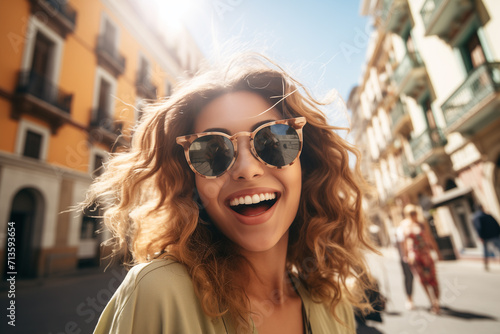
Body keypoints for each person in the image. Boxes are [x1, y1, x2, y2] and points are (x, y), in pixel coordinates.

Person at [82, 53, 376, 333]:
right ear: (190, 181)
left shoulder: (331, 305)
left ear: (305, 162)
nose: (246, 170)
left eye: (273, 139)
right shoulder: (156, 293)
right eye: (212, 152)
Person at [401, 204, 440, 314]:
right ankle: (432, 302)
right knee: (423, 280)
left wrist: (437, 252)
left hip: (426, 255)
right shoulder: (405, 226)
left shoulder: (422, 225)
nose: (414, 215)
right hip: (415, 257)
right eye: (411, 213)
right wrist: (406, 255)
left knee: (433, 278)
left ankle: (436, 302)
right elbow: (405, 243)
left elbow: (430, 238)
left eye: (415, 213)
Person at [472, 204, 500, 271]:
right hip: (494, 235)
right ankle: (486, 265)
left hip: (486, 237)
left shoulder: (476, 217)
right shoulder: (488, 215)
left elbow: (479, 228)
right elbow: (496, 224)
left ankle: (486, 265)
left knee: (485, 251)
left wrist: (480, 236)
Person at [395, 223, 414, 310]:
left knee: (425, 278)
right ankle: (409, 299)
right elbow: (401, 243)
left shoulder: (416, 225)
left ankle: (433, 301)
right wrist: (405, 256)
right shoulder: (400, 228)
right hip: (405, 258)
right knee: (409, 278)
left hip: (418, 256)